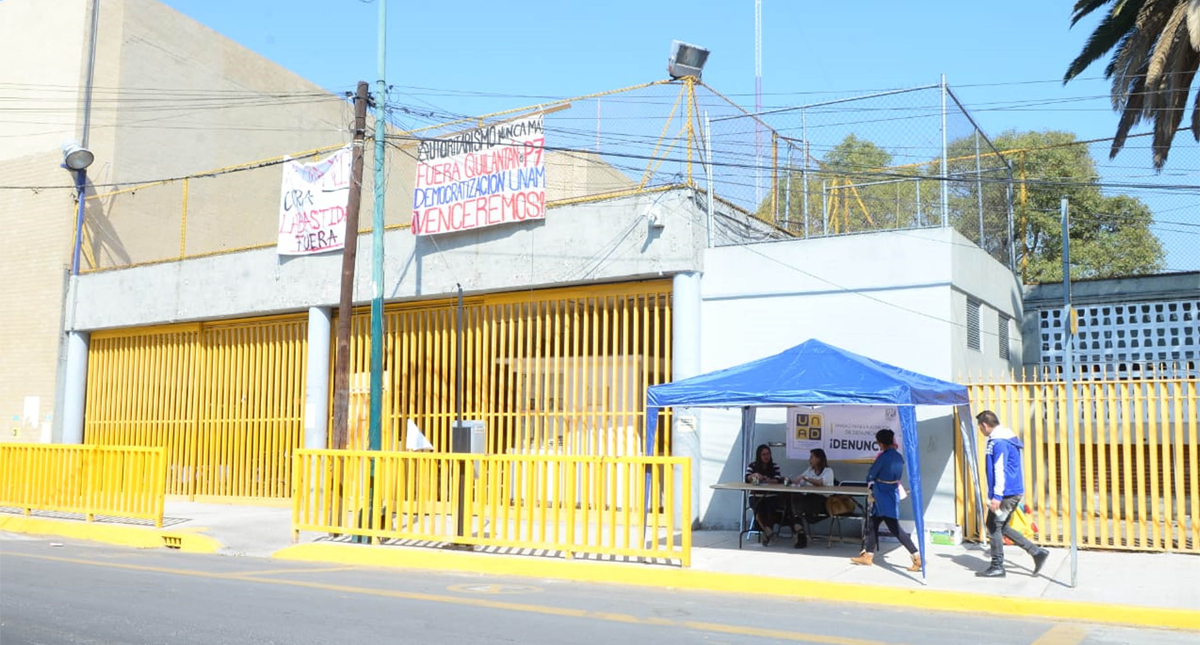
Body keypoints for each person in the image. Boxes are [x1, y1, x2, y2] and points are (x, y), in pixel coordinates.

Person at [975, 410, 1050, 578]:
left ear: (984, 425)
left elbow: (999, 468)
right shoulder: (1004, 438)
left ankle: (997, 566)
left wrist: (997, 496)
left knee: (994, 526)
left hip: (1006, 492)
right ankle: (1037, 552)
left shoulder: (999, 442)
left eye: (980, 427)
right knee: (1003, 526)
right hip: (1011, 490)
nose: (980, 431)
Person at [851, 429, 921, 571]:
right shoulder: (898, 457)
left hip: (881, 494)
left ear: (880, 443)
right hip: (891, 492)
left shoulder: (883, 457)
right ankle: (868, 555)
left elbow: (871, 474)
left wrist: (871, 483)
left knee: (894, 528)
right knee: (873, 523)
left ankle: (917, 556)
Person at [787, 449, 835, 548]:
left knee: (793, 509)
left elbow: (820, 483)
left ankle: (799, 529)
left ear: (819, 459)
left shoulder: (828, 471)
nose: (810, 460)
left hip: (822, 500)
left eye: (812, 457)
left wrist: (806, 478)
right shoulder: (810, 470)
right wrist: (795, 481)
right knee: (794, 496)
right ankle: (800, 530)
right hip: (808, 498)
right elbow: (801, 479)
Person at [745, 444, 783, 545]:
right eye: (763, 454)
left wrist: (768, 479)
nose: (766, 456)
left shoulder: (775, 466)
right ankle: (768, 532)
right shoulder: (752, 466)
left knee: (770, 508)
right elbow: (747, 478)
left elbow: (778, 479)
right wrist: (754, 476)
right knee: (758, 508)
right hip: (756, 495)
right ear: (759, 455)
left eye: (768, 454)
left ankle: (766, 533)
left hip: (771, 495)